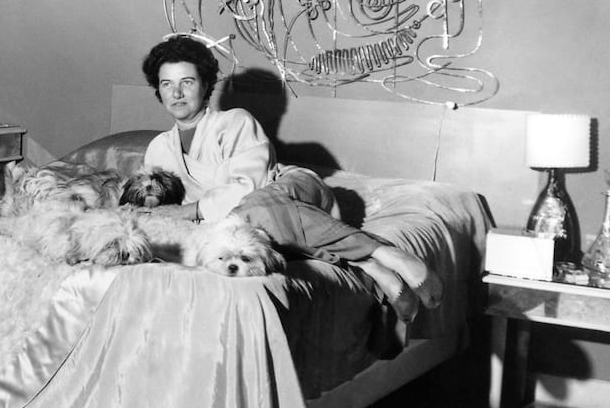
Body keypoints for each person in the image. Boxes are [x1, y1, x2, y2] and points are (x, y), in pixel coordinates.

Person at [139, 35, 437, 316]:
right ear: (158, 90)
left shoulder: (235, 121)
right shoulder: (158, 150)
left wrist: (183, 212)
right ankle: (367, 264)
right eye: (167, 84)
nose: (176, 93)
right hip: (251, 223)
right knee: (248, 234)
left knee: (250, 213)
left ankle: (387, 253)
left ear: (205, 85)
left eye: (186, 82)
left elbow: (246, 188)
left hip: (290, 191)